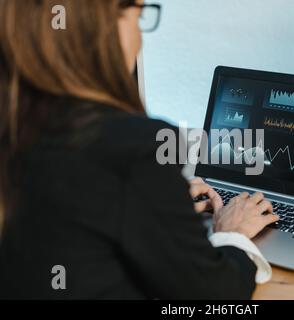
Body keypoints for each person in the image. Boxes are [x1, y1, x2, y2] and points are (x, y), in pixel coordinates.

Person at [0, 0, 279, 299]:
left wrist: (157, 201)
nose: (139, 37)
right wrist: (232, 234)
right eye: (139, 16)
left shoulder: (17, 124)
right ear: (106, 27)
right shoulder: (131, 148)